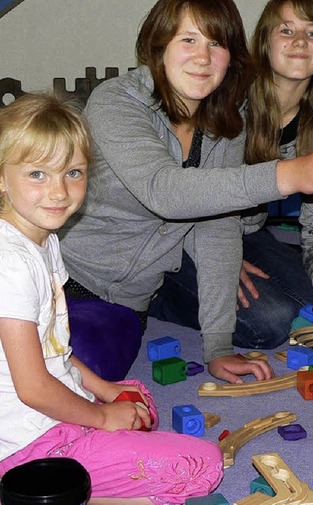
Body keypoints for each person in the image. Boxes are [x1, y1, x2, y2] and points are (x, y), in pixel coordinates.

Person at [59, 0, 313, 384]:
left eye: (216, 44)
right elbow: (164, 190)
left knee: (85, 370)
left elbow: (216, 227)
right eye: (188, 40)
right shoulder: (117, 100)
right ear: (158, 46)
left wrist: (218, 347)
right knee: (48, 370)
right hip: (60, 276)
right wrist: (290, 174)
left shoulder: (224, 121)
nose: (203, 57)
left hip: (128, 301)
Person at [0, 92, 224, 504]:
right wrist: (102, 415)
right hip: (27, 449)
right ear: (0, 177)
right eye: (37, 174)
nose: (58, 192)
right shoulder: (10, 262)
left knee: (136, 396)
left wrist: (105, 391)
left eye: (73, 173)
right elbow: (32, 387)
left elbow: (56, 351)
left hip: (53, 416)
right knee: (203, 464)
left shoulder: (42, 239)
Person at [242, 0, 313, 326]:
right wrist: (222, 263)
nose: (299, 40)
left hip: (249, 233)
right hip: (190, 238)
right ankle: (164, 296)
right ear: (264, 44)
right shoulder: (233, 106)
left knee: (311, 298)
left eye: (312, 32)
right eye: (286, 30)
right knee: (271, 319)